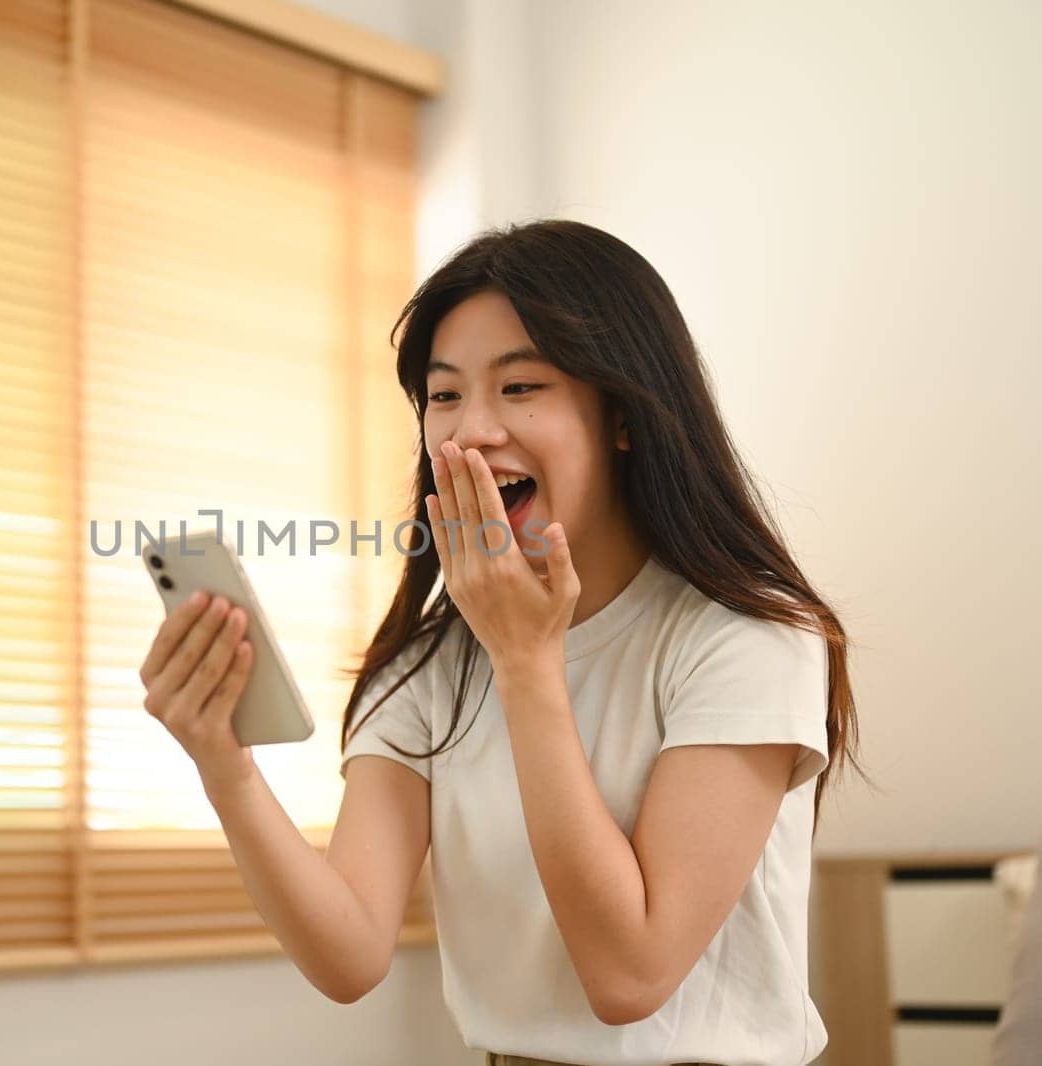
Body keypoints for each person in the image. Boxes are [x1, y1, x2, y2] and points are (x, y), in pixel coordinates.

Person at [137, 220, 864, 1066]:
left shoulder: (747, 637)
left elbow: (630, 976)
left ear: (623, 415)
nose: (471, 430)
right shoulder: (428, 666)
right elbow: (348, 954)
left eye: (520, 388)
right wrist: (226, 770)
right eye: (445, 396)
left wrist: (526, 665)